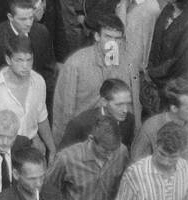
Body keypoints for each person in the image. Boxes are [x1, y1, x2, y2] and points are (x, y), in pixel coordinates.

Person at [52, 11, 140, 145]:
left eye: (117, 38)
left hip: (116, 138)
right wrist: (61, 148)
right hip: (83, 139)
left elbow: (134, 105)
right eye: (108, 37)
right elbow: (64, 110)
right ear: (97, 36)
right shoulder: (75, 64)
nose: (113, 43)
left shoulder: (129, 63)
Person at [0, 37, 55, 157]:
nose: (25, 65)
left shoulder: (38, 81)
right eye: (19, 60)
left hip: (31, 148)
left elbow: (42, 117)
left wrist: (52, 148)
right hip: (4, 150)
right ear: (8, 60)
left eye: (29, 60)